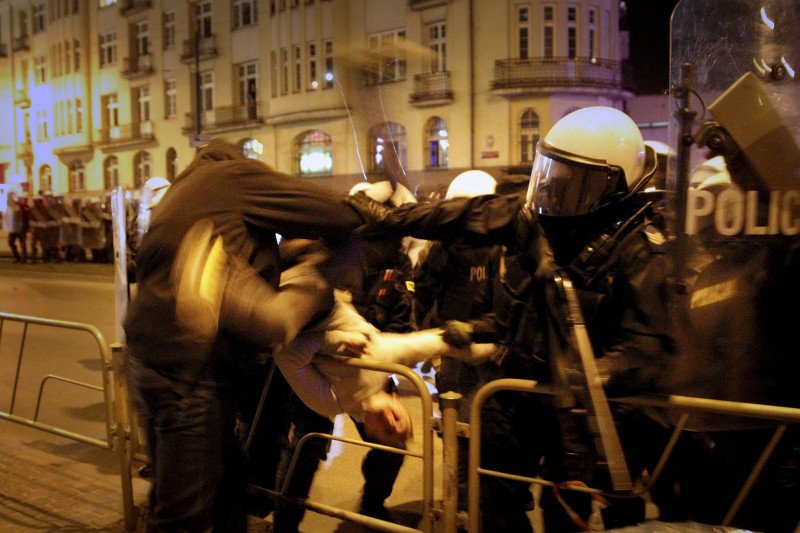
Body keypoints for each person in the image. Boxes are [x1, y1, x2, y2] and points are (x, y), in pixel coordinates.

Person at [345, 106, 673, 531]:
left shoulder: (640, 251)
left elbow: (648, 344)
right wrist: (391, 219)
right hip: (517, 390)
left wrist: (589, 375)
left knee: (570, 513)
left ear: (614, 185)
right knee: (491, 499)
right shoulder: (539, 220)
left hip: (586, 411)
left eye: (575, 181)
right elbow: (464, 214)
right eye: (555, 173)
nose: (558, 190)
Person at [122, 139, 372, 533]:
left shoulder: (181, 193)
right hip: (190, 373)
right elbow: (334, 213)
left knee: (223, 492)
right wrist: (367, 220)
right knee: (182, 516)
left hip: (148, 363)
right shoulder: (233, 177)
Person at [412, 169, 504, 516]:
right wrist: (427, 336)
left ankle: (482, 501)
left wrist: (478, 329)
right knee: (457, 430)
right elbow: (422, 290)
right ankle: (462, 503)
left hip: (491, 351)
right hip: (454, 352)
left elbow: (509, 305)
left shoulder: (505, 247)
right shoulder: (444, 247)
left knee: (488, 431)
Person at [4, 191, 29, 263]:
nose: (22, 200)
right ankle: (17, 257)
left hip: (22, 228)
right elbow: (10, 202)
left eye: (23, 199)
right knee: (10, 242)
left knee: (22, 243)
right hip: (14, 228)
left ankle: (24, 259)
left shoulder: (25, 207)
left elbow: (26, 218)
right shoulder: (16, 205)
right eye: (21, 199)